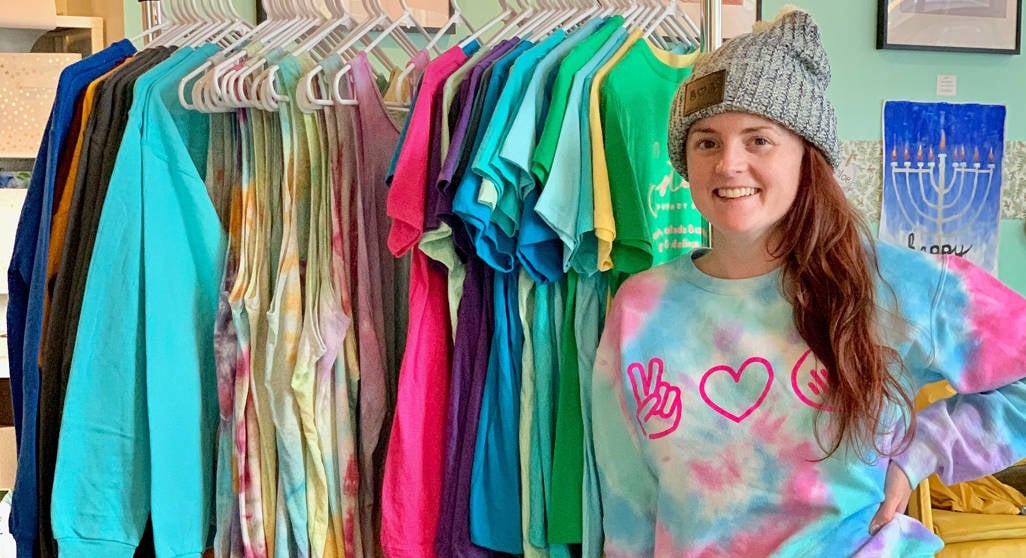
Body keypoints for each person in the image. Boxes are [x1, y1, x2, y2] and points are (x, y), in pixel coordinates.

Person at [591, 7, 1026, 557]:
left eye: (758, 140)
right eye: (706, 142)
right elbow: (628, 501)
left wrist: (924, 450)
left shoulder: (890, 284)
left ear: (806, 153)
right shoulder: (640, 308)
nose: (729, 164)